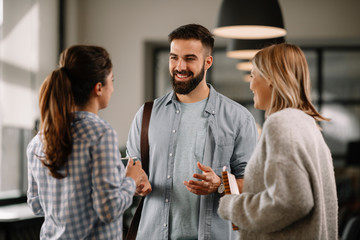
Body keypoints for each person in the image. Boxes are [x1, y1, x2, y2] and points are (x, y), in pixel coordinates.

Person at [126, 24, 258, 240]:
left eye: (189, 58)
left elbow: (253, 186)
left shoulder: (238, 118)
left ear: (208, 62)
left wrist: (220, 184)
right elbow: (133, 169)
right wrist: (136, 184)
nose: (179, 66)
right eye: (173, 57)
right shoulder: (146, 115)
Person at [27, 45, 148, 239]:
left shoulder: (37, 141)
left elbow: (36, 205)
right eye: (112, 81)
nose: (113, 88)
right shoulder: (101, 134)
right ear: (99, 88)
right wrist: (130, 181)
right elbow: (108, 210)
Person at [218, 43, 338, 239]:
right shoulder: (307, 125)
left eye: (253, 75)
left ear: (271, 78)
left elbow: (292, 201)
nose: (250, 84)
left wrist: (232, 204)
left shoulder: (281, 124)